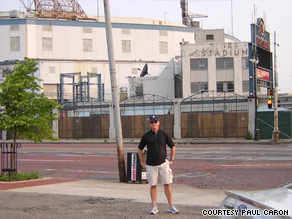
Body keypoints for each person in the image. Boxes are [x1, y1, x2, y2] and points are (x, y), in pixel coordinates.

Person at [138, 115, 179, 215]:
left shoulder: (164, 134)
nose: (154, 124)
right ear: (150, 124)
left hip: (163, 163)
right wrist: (142, 162)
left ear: (158, 123)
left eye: (155, 122)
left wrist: (171, 159)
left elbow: (172, 146)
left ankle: (171, 206)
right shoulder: (146, 135)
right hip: (151, 165)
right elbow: (140, 149)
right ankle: (154, 207)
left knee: (167, 184)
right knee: (153, 185)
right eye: (151, 122)